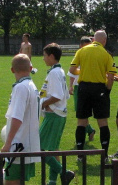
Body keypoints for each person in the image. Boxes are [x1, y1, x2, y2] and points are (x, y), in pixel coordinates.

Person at [68, 30, 116, 164]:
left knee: (82, 122)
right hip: (100, 89)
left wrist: (83, 70)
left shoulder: (82, 51)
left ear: (93, 39)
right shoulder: (107, 55)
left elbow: (72, 70)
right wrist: (107, 90)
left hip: (83, 88)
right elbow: (111, 77)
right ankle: (105, 154)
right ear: (104, 41)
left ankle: (80, 154)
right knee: (102, 122)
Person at [0, 54, 40, 185]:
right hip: (28, 144)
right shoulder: (31, 85)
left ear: (12, 70)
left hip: (18, 146)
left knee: (11, 182)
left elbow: (17, 118)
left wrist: (8, 143)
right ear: (31, 68)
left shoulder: (20, 87)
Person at [39, 43, 75, 185]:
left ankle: (64, 172)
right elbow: (65, 95)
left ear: (51, 56)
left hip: (54, 115)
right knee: (53, 149)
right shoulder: (58, 71)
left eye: (44, 56)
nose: (43, 59)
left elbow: (58, 96)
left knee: (38, 148)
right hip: (60, 114)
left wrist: (41, 103)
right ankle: (52, 182)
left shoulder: (54, 73)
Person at [67, 36, 96, 142]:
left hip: (88, 85)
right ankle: (90, 130)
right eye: (85, 46)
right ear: (80, 45)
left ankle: (84, 134)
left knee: (82, 112)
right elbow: (71, 72)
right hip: (78, 86)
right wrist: (70, 86)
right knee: (79, 112)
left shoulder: (93, 55)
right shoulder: (78, 55)